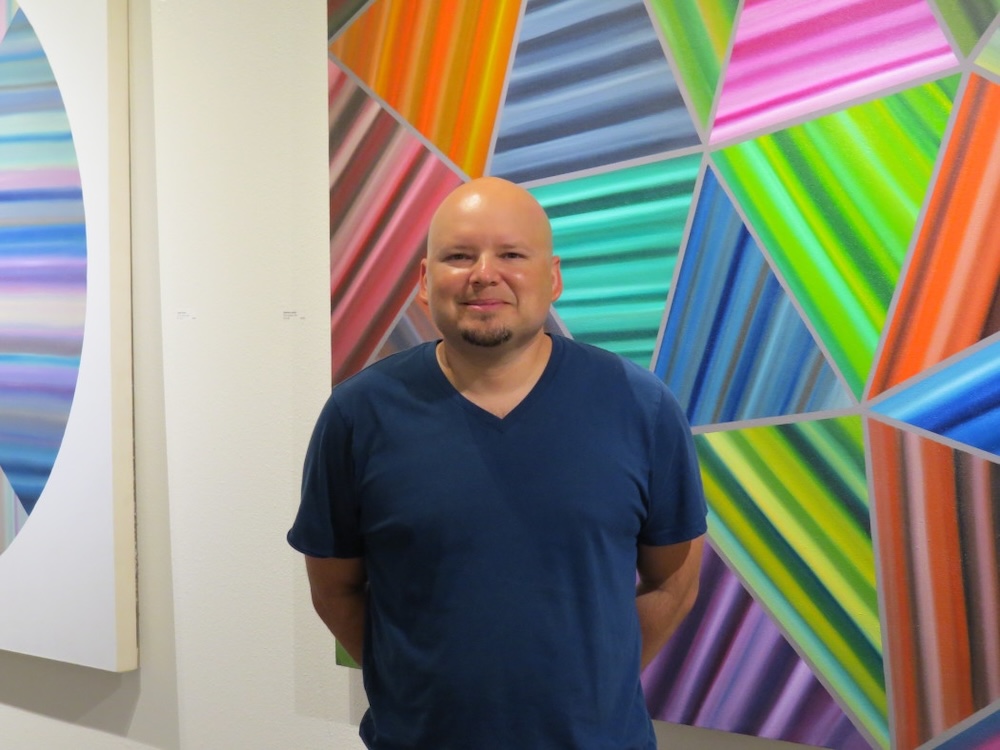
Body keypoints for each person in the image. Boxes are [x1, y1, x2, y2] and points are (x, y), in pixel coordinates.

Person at [288, 176, 707, 749]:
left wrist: (594, 686)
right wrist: (415, 686)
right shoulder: (357, 415)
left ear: (552, 276)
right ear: (423, 280)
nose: (484, 273)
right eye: (458, 256)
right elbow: (333, 589)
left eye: (511, 253)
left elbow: (674, 581)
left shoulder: (640, 406)